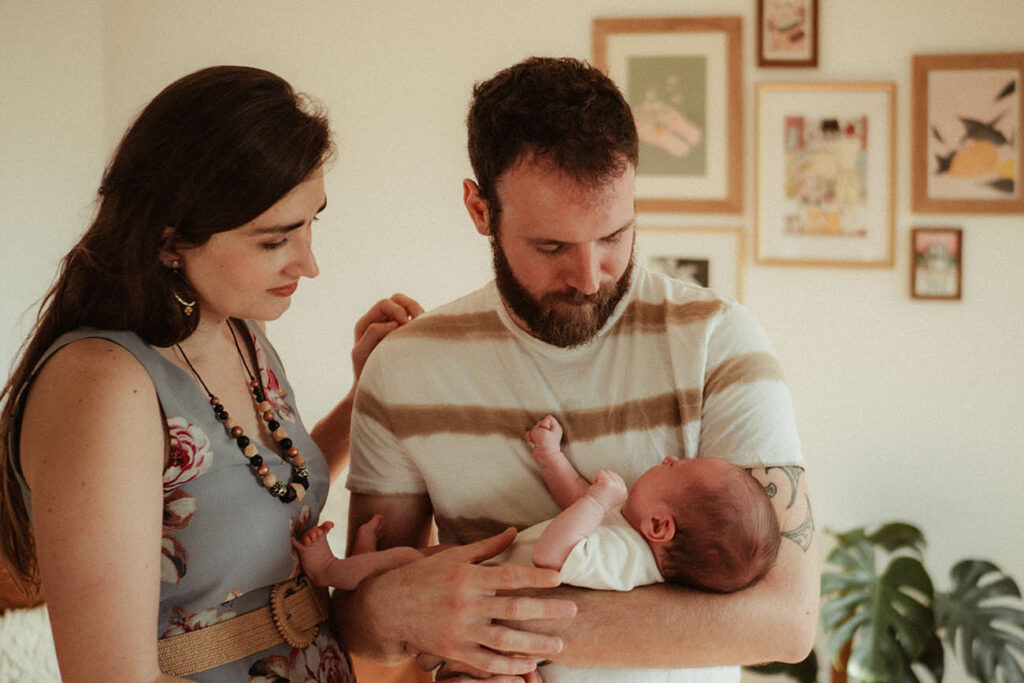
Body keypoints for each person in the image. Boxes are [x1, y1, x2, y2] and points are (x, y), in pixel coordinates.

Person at [0, 65, 572, 683]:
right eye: (275, 241)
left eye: (311, 223)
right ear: (169, 240)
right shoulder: (102, 386)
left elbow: (252, 488)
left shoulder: (239, 330)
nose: (309, 264)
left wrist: (364, 398)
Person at [337, 56, 818, 682]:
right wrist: (391, 610)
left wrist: (483, 626)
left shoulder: (718, 341)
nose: (590, 278)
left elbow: (782, 622)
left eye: (615, 236)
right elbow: (364, 622)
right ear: (480, 210)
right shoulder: (404, 369)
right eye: (553, 246)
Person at [297, 413, 779, 598]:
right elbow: (571, 502)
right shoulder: (631, 531)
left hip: (490, 584)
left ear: (659, 525)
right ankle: (362, 566)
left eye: (676, 469)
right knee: (408, 562)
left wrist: (598, 498)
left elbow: (555, 552)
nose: (670, 457)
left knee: (408, 560)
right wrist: (551, 456)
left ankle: (330, 572)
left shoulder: (626, 562)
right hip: (488, 561)